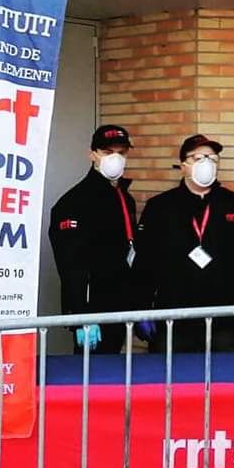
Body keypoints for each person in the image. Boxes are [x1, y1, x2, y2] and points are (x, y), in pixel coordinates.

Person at [136, 133, 234, 352]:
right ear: (183, 166)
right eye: (198, 158)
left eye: (212, 159)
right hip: (172, 320)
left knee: (224, 373)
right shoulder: (160, 207)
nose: (206, 163)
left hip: (223, 322)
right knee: (170, 374)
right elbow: (143, 263)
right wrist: (140, 309)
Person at [49, 124, 145, 353]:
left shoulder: (125, 199)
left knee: (116, 370)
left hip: (121, 306)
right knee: (89, 372)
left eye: (121, 153)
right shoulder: (74, 202)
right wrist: (80, 315)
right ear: (92, 154)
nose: (115, 158)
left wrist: (138, 305)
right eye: (107, 152)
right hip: (93, 310)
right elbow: (70, 264)